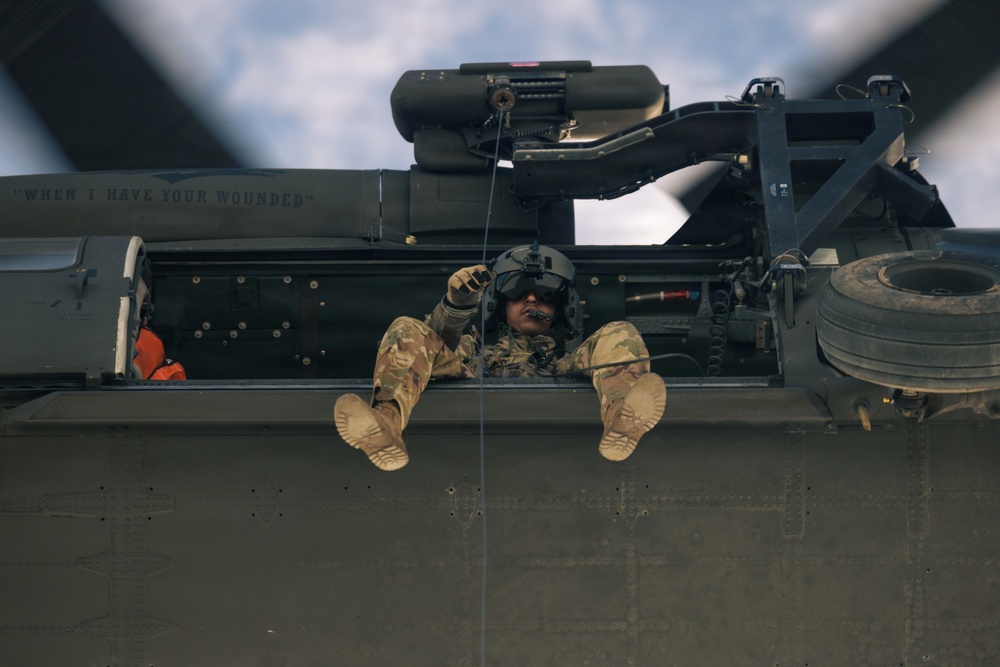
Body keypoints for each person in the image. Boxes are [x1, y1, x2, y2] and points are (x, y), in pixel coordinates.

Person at [334, 243, 665, 471]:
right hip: (473, 373)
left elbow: (603, 350)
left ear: (560, 308)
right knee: (406, 327)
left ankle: (621, 418)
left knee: (620, 331)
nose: (531, 300)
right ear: (499, 303)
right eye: (517, 291)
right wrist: (456, 307)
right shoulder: (474, 346)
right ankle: (386, 423)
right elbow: (429, 347)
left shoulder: (568, 359)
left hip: (555, 372)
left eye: (546, 294)